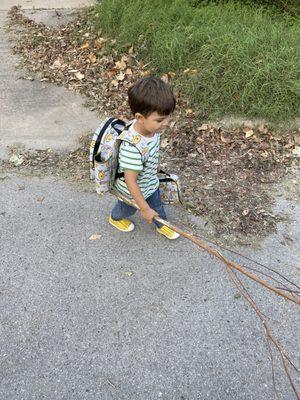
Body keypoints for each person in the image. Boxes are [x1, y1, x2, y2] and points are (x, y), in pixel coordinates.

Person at [109, 76, 180, 240]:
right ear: (140, 117)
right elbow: (130, 180)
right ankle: (115, 217)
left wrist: (154, 166)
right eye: (160, 120)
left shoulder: (152, 130)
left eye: (168, 117)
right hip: (132, 192)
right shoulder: (132, 148)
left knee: (157, 205)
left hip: (150, 183)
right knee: (127, 209)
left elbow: (151, 151)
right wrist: (144, 208)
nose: (166, 123)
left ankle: (162, 224)